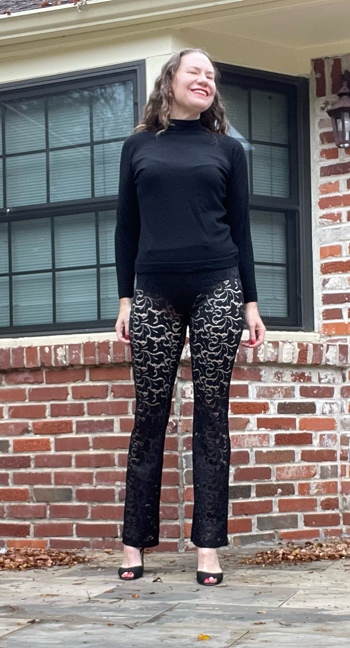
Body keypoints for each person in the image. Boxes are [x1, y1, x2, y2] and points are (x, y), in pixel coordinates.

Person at [114, 48, 266, 587]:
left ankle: (208, 547)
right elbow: (125, 230)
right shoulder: (138, 147)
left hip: (218, 287)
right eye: (195, 71)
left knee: (211, 416)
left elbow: (243, 231)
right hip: (153, 290)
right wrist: (125, 300)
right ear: (170, 82)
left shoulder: (227, 148)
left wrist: (250, 302)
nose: (205, 79)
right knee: (149, 415)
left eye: (211, 75)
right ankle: (134, 541)